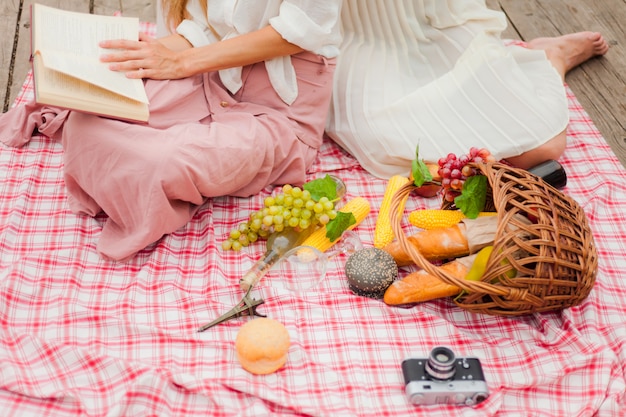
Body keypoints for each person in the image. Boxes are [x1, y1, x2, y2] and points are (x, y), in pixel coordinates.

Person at [0, 0, 343, 261]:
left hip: (276, 113)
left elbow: (298, 32)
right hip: (212, 76)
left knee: (164, 160)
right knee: (87, 117)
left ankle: (152, 179)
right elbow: (204, 29)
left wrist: (180, 63)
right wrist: (153, 52)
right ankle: (142, 169)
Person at [325, 0, 610, 179]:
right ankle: (535, 62)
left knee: (544, 146)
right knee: (385, 146)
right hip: (352, 36)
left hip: (431, 17)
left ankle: (552, 57)